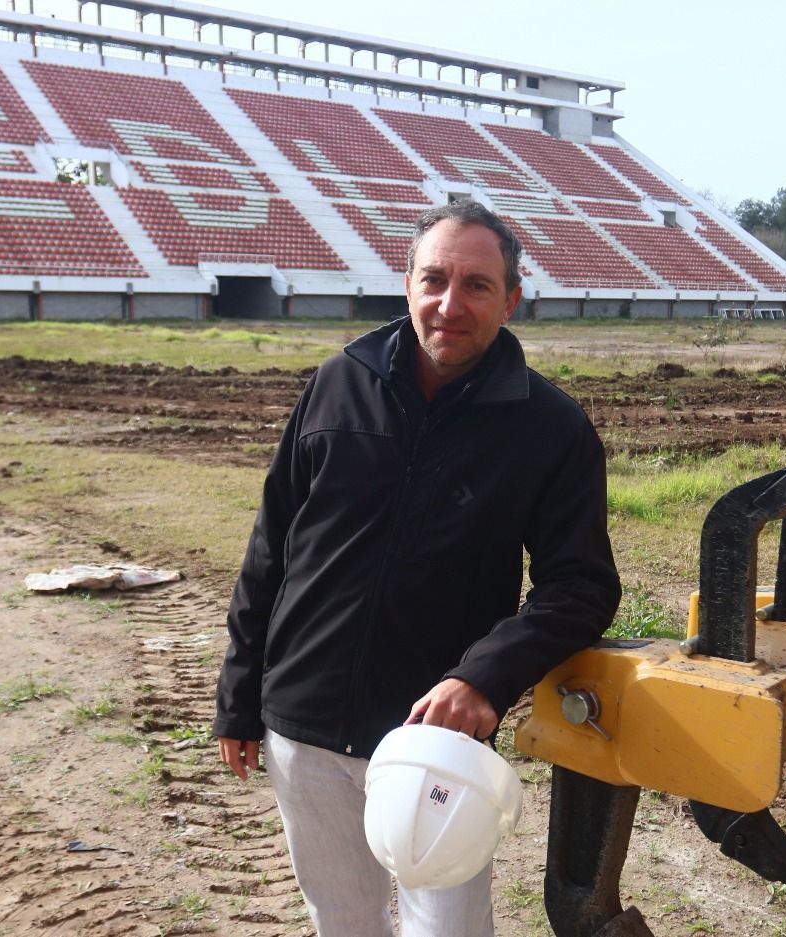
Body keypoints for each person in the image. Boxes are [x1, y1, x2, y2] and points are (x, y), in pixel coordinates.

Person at [213, 200, 621, 937]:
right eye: (434, 279)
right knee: (342, 920)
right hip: (301, 724)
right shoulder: (338, 381)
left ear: (512, 299)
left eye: (476, 285)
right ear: (406, 285)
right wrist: (241, 695)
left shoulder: (550, 427)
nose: (450, 303)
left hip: (432, 742)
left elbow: (582, 584)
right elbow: (272, 545)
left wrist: (484, 677)